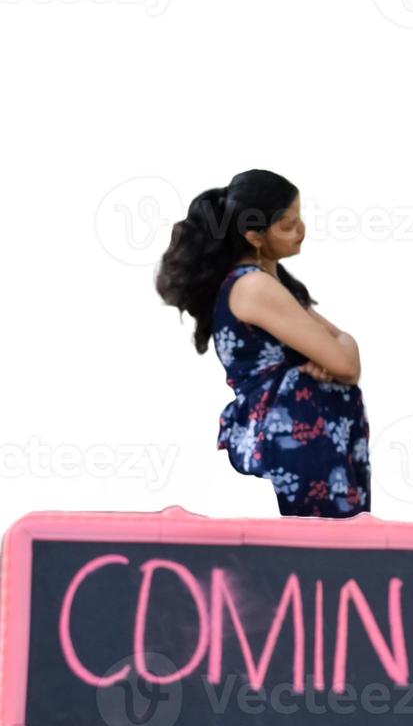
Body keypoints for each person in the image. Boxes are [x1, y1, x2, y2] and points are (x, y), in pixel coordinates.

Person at [155, 169, 371, 517]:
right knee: (314, 561)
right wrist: (333, 353)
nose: (301, 230)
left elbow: (343, 353)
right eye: (287, 224)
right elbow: (347, 362)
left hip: (313, 443)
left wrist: (336, 351)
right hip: (296, 444)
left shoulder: (267, 283)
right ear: (254, 236)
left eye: (300, 218)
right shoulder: (254, 287)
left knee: (329, 559)